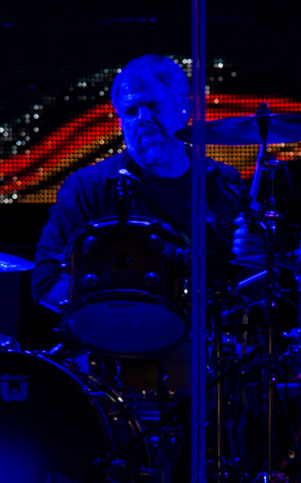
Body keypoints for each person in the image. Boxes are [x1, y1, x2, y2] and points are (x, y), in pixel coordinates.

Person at [32, 54, 258, 310]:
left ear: (184, 108)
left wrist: (258, 259)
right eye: (130, 111)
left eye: (153, 105)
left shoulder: (224, 182)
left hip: (207, 341)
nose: (143, 119)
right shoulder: (87, 188)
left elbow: (253, 291)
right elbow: (46, 284)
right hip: (117, 339)